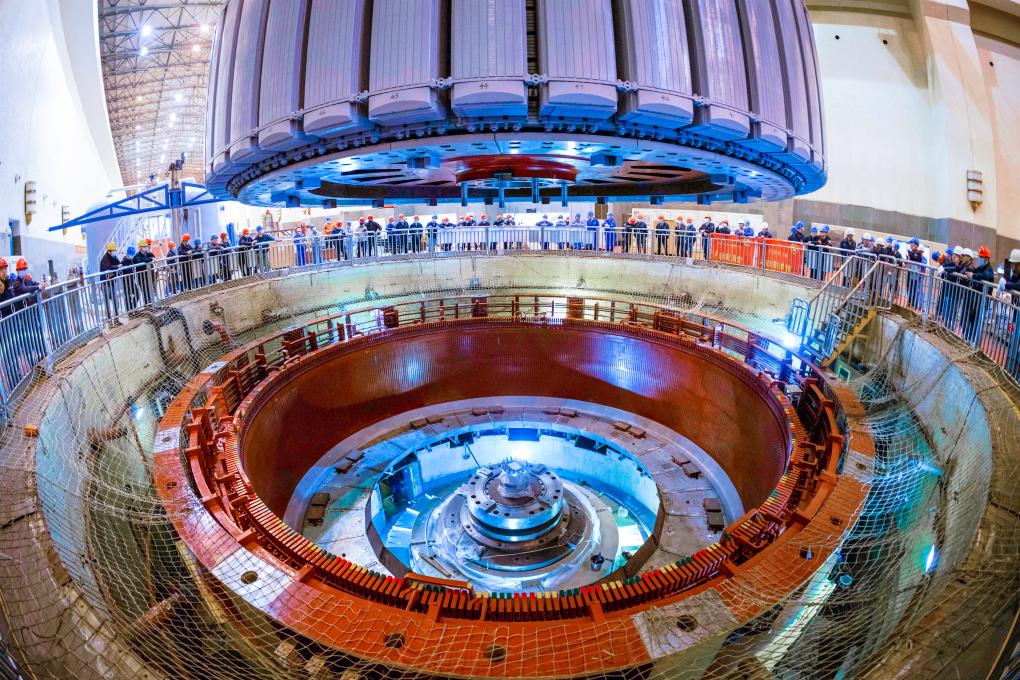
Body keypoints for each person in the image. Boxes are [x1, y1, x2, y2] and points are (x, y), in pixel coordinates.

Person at [99, 243, 122, 323]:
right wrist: (117, 267)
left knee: (116, 302)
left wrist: (118, 266)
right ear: (109, 251)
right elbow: (108, 268)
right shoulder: (105, 259)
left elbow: (119, 263)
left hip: (111, 283)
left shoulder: (114, 257)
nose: (115, 252)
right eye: (113, 250)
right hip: (105, 284)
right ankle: (109, 322)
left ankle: (116, 320)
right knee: (107, 305)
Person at [905, 237, 925, 309]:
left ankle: (913, 304)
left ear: (916, 245)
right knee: (908, 287)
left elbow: (916, 258)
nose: (911, 245)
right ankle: (910, 302)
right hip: (910, 272)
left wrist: (909, 253)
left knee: (913, 288)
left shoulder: (918, 253)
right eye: (911, 243)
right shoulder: (912, 252)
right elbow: (909, 260)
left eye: (912, 244)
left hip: (915, 274)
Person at [133, 238, 154, 304]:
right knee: (145, 292)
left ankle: (150, 305)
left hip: (147, 276)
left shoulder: (146, 254)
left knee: (149, 291)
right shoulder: (137, 256)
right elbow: (141, 262)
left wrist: (150, 256)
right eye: (144, 246)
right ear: (140, 247)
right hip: (141, 277)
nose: (145, 247)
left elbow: (151, 256)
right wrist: (150, 259)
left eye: (146, 246)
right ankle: (147, 305)